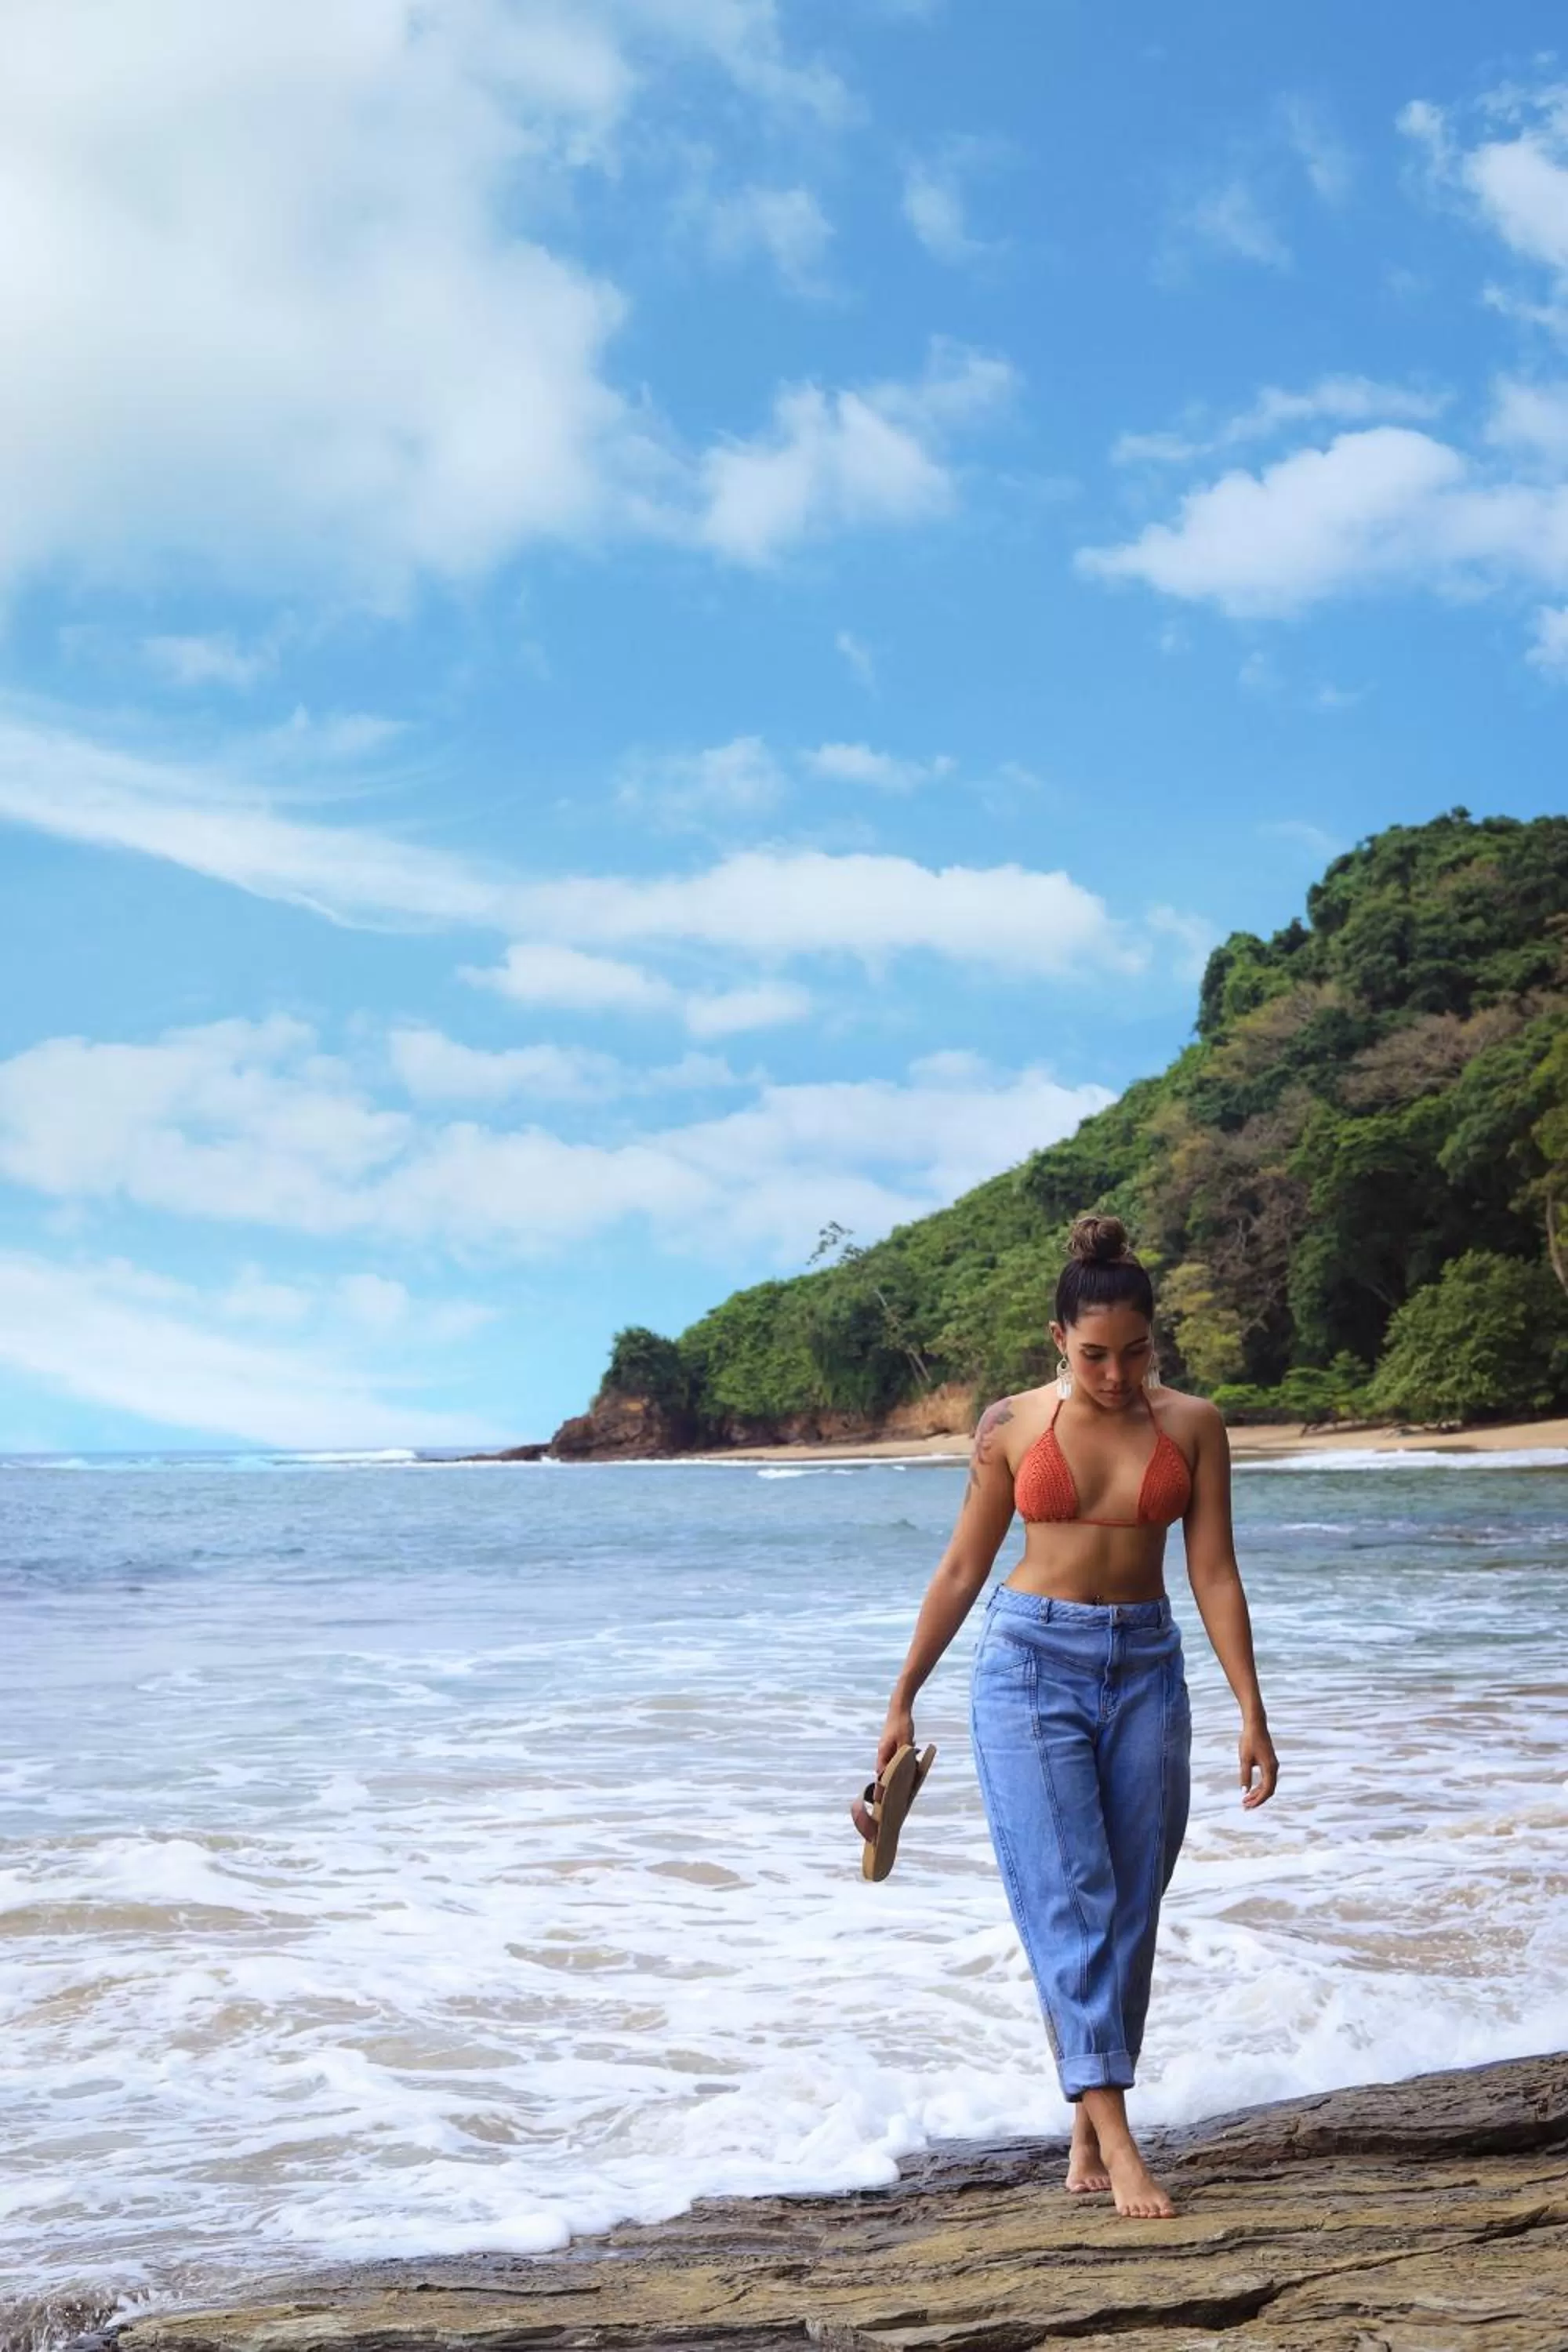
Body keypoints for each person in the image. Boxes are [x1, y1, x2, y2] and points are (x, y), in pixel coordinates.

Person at [855, 1213, 1278, 2219]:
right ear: (1058, 1341)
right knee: (1069, 1894)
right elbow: (963, 1565)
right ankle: (1119, 2132)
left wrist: (1251, 1709)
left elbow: (1212, 1571)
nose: (1116, 1374)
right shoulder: (1007, 1429)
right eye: (1093, 1355)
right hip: (1026, 1665)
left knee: (1132, 1904)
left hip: (1145, 1666)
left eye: (1134, 1352)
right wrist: (901, 1692)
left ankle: (1086, 2117)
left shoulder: (1193, 1425)